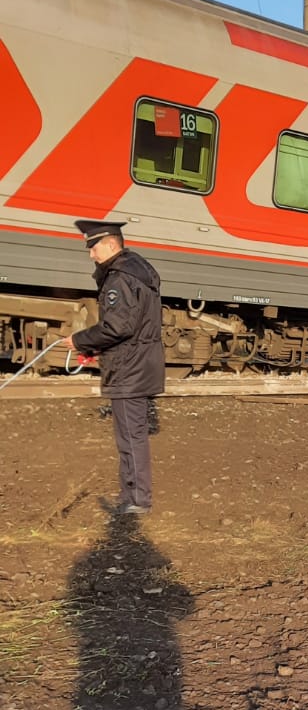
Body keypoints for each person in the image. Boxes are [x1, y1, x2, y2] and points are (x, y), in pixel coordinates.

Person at [57, 219, 165, 513]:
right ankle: (132, 496)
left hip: (129, 367)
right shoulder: (136, 270)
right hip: (135, 362)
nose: (91, 254)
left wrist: (80, 340)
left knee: (130, 436)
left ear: (110, 243)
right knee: (131, 435)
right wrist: (94, 346)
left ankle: (137, 500)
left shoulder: (120, 278)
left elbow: (117, 327)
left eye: (92, 247)